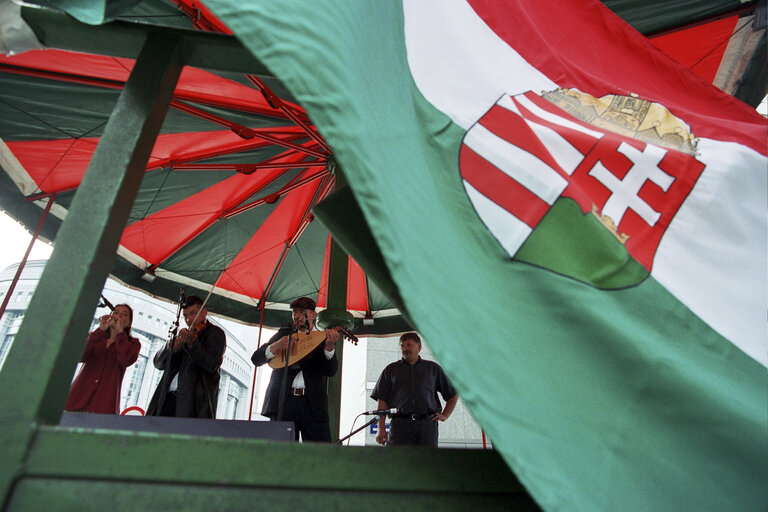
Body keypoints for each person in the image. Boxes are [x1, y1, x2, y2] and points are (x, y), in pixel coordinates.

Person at [251, 297, 341, 442]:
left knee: (319, 453)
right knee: (281, 453)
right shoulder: (284, 334)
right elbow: (256, 358)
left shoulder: (321, 338)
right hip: (284, 402)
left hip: (312, 403)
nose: (297, 316)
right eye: (295, 313)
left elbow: (330, 371)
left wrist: (329, 348)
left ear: (313, 315)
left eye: (302, 312)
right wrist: (275, 347)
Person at [371, 332, 458, 446]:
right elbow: (382, 401)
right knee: (398, 461)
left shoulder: (433, 369)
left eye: (408, 345)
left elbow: (453, 394)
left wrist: (445, 415)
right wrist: (381, 428)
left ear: (419, 347)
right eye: (402, 346)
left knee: (427, 462)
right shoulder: (391, 370)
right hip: (400, 426)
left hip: (427, 426)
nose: (405, 349)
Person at [146, 295, 226, 418]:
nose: (189, 319)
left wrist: (192, 344)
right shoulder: (182, 337)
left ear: (204, 312)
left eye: (193, 314)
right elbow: (158, 363)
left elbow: (211, 364)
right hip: (166, 400)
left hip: (193, 404)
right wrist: (170, 348)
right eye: (185, 316)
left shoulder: (215, 333)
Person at [65, 304, 141, 414]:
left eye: (124, 314)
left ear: (129, 323)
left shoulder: (132, 343)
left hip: (104, 404)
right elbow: (80, 356)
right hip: (77, 399)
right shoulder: (95, 336)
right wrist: (100, 330)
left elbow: (125, 360)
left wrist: (120, 334)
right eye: (115, 312)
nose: (118, 316)